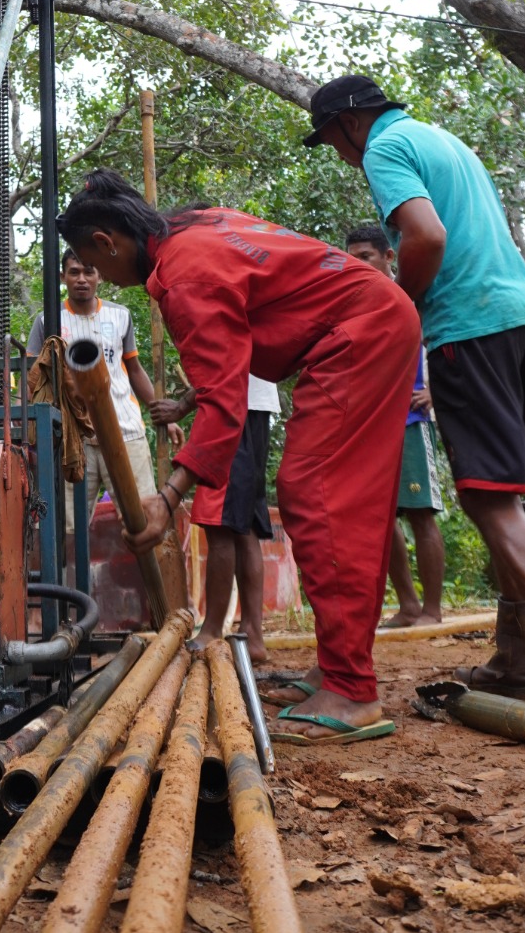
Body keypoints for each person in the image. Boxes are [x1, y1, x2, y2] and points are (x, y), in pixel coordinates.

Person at [56, 170, 421, 741]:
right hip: (362, 324)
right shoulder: (189, 229)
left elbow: (227, 407)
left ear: (106, 243)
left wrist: (167, 496)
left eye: (91, 258)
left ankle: (353, 690)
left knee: (319, 494)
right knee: (324, 494)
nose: (99, 275)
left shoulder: (184, 277)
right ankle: (336, 666)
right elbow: (230, 361)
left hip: (362, 330)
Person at [305, 75, 525, 705]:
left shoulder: (385, 150)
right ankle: (521, 664)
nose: (340, 154)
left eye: (333, 141)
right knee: (503, 499)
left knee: (489, 503)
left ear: (348, 123)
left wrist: (405, 310)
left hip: (470, 324)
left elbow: (427, 237)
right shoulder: (442, 140)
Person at [26, 250, 179, 532]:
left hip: (125, 433)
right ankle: (66, 579)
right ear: (63, 277)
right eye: (74, 272)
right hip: (73, 441)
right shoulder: (47, 320)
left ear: (100, 276)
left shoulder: (119, 315)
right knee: (65, 531)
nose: (82, 279)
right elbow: (32, 378)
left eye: (89, 272)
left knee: (145, 522)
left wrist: (164, 414)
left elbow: (134, 370)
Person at [345, 223, 445, 627]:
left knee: (420, 514)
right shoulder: (356, 303)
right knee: (381, 521)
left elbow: (442, 340)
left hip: (411, 420)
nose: (358, 265)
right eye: (351, 258)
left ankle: (433, 610)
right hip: (371, 425)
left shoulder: (413, 296)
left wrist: (436, 392)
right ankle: (407, 605)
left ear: (389, 257)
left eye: (365, 257)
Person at [148, 376, 280, 663]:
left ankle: (212, 631)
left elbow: (228, 363)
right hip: (252, 403)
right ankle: (252, 635)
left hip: (232, 405)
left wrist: (182, 405)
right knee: (244, 527)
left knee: (221, 521)